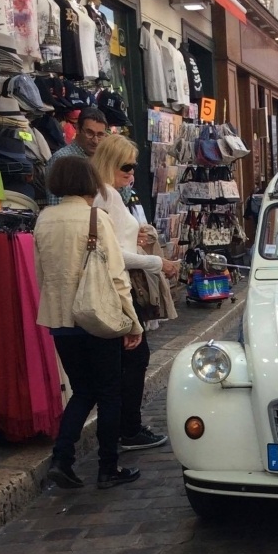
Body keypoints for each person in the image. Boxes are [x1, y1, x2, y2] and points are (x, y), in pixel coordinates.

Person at [35, 157, 142, 489]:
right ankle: (108, 467)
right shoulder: (97, 218)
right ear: (91, 183)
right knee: (110, 393)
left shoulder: (44, 219)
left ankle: (62, 459)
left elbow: (41, 275)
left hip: (61, 320)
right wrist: (132, 322)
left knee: (82, 391)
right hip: (96, 316)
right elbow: (116, 276)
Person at [91, 134, 179, 452]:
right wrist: (158, 262)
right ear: (111, 164)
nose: (132, 172)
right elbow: (116, 256)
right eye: (126, 166)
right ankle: (127, 428)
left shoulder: (106, 195)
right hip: (119, 288)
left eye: (134, 166)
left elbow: (117, 246)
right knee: (133, 358)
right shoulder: (107, 196)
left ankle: (124, 428)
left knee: (127, 360)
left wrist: (137, 241)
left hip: (119, 284)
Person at [44, 108, 108, 205]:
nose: (95, 140)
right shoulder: (62, 159)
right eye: (89, 133)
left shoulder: (105, 159)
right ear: (77, 129)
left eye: (100, 135)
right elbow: (56, 204)